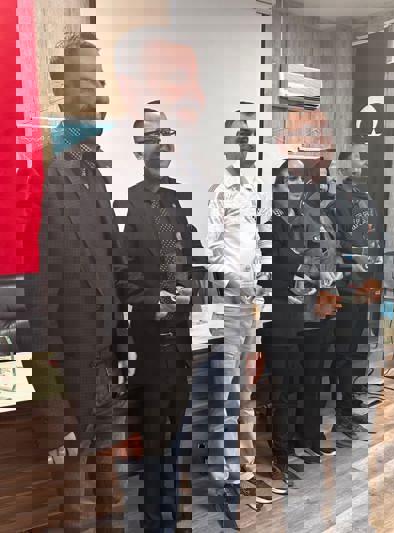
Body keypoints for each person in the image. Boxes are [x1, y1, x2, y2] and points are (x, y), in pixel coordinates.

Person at [27, 32, 128, 529]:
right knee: (73, 504)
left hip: (105, 362)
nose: (97, 92)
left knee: (111, 492)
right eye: (86, 81)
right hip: (69, 373)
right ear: (61, 89)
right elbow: (37, 291)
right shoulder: (47, 168)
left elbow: (110, 272)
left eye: (100, 81)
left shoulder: (93, 172)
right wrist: (52, 399)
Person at [116, 102, 199, 531]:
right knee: (153, 442)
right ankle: (155, 522)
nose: (160, 146)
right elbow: (122, 281)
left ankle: (172, 516)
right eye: (151, 139)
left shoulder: (175, 202)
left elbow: (194, 264)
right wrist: (155, 298)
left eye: (165, 137)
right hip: (150, 345)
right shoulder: (129, 205)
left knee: (176, 439)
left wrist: (191, 290)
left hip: (181, 341)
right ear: (139, 149)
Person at [263, 158, 342, 496]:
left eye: (298, 180)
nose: (295, 187)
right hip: (279, 316)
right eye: (288, 180)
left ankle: (296, 446)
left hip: (302, 314)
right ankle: (280, 461)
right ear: (277, 186)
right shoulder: (268, 226)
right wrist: (295, 283)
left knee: (301, 382)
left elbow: (313, 261)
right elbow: (268, 272)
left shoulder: (302, 220)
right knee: (283, 390)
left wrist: (314, 281)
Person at [206, 104, 270, 519]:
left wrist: (259, 288)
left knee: (246, 395)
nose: (244, 145)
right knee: (225, 398)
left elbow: (261, 246)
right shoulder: (220, 193)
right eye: (238, 138)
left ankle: (245, 473)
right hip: (230, 306)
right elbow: (215, 252)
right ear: (228, 145)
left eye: (249, 138)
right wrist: (235, 284)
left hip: (252, 306)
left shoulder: (255, 191)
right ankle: (221, 480)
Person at [331, 145, 383, 438]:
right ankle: (342, 414)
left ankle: (352, 405)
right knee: (343, 352)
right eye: (357, 157)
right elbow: (335, 243)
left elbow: (376, 238)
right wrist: (352, 262)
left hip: (365, 285)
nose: (363, 162)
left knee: (358, 349)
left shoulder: (366, 197)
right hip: (345, 286)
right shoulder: (334, 198)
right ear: (343, 163)